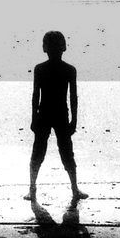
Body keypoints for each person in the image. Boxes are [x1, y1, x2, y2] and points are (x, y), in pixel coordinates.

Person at [25, 30, 86, 202]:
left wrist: (33, 118)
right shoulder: (67, 70)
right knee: (61, 153)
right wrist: (74, 119)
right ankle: (73, 188)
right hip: (56, 114)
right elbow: (72, 98)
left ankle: (34, 188)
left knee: (45, 153)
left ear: (45, 48)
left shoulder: (44, 69)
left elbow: (36, 96)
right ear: (63, 47)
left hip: (48, 114)